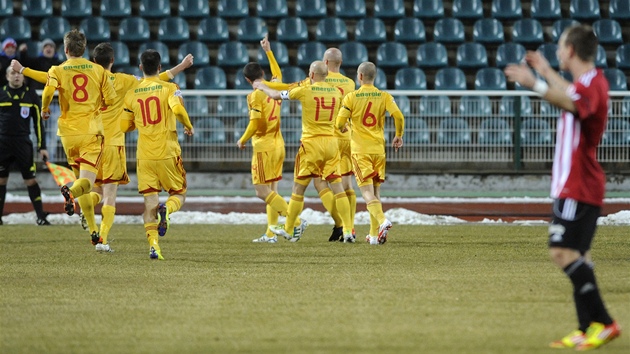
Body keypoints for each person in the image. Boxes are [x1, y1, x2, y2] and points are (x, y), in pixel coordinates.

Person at [504, 24, 621, 350]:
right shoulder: (587, 82)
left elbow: (574, 105)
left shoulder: (592, 85)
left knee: (562, 252)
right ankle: (587, 329)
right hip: (574, 184)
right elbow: (572, 94)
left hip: (578, 184)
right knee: (579, 256)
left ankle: (606, 323)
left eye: (559, 47)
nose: (557, 52)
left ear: (570, 50)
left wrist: (536, 84)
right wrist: (545, 71)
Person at [260, 37, 356, 241]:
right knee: (340, 186)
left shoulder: (306, 88)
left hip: (312, 144)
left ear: (312, 74)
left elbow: (280, 93)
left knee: (300, 187)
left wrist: (263, 86)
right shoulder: (342, 90)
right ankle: (348, 229)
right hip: (335, 141)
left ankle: (289, 228)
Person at [41, 29, 117, 246]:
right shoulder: (97, 70)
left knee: (81, 180)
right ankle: (69, 191)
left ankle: (93, 231)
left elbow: (48, 92)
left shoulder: (58, 69)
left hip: (67, 134)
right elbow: (110, 100)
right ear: (84, 49)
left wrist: (45, 109)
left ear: (65, 50)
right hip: (90, 132)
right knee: (87, 183)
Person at [121, 49, 194, 260]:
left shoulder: (132, 93)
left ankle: (154, 247)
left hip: (144, 156)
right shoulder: (170, 88)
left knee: (149, 203)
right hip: (167, 152)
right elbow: (179, 111)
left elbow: (125, 126)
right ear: (160, 67)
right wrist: (188, 126)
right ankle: (168, 210)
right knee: (179, 194)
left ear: (141, 68)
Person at [335, 62, 404, 245]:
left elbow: (339, 122)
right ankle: (373, 236)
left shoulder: (351, 97)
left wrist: (342, 127)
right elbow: (399, 116)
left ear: (359, 77)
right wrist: (398, 136)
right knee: (376, 190)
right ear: (374, 77)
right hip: (378, 150)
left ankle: (382, 221)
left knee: (366, 192)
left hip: (360, 150)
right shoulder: (384, 96)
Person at [238, 62, 305, 243]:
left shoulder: (254, 95)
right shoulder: (272, 88)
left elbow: (255, 123)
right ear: (263, 74)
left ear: (247, 79)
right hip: (278, 144)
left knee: (261, 191)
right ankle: (271, 234)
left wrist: (242, 139)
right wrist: (269, 52)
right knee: (272, 191)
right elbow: (277, 73)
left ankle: (296, 221)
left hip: (264, 146)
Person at [0, 66, 50, 226]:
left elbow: (38, 123)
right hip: (2, 144)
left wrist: (42, 146)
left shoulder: (30, 95)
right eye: (12, 73)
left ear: (23, 77)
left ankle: (40, 216)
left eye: (18, 74)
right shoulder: (1, 93)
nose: (16, 76)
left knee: (30, 180)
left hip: (23, 143)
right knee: (1, 180)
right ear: (7, 77)